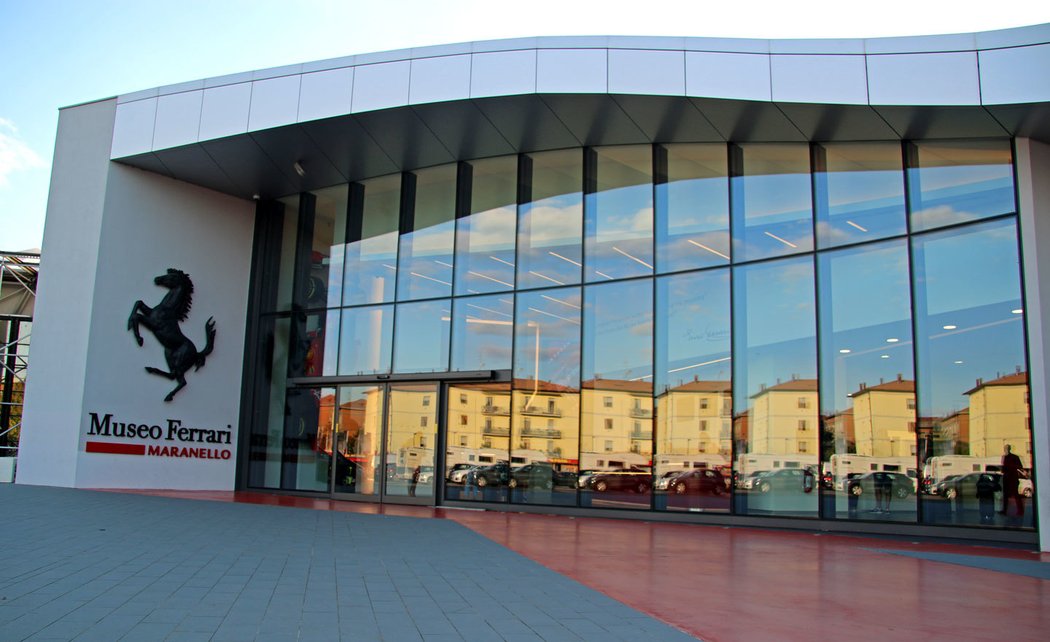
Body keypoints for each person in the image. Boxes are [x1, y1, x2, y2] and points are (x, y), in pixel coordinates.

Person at [1000, 444, 1025, 517]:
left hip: (1013, 479)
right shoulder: (1004, 457)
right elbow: (1004, 468)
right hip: (1006, 478)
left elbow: (1020, 466)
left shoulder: (1015, 457)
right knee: (1005, 495)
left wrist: (1011, 467)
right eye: (1004, 448)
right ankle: (1004, 510)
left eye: (1006, 448)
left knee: (1016, 495)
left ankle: (1020, 511)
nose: (1005, 449)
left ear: (1009, 449)